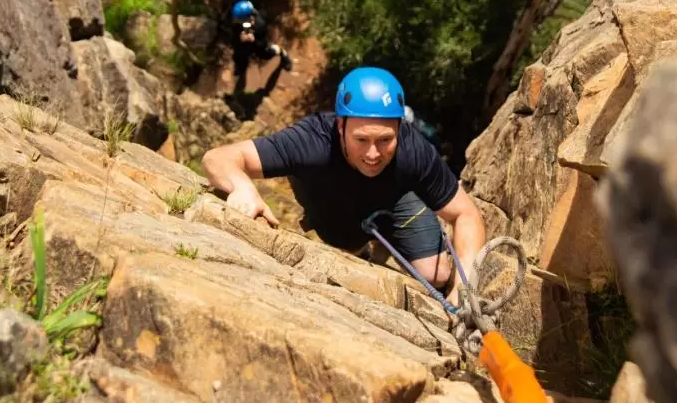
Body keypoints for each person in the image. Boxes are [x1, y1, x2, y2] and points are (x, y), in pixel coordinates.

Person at [201, 66, 486, 306]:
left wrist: (463, 290)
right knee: (346, 249)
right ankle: (367, 244)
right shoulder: (311, 141)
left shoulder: (414, 151)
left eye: (385, 140)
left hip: (396, 201)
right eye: (361, 140)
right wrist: (244, 188)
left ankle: (387, 236)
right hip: (332, 202)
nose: (373, 153)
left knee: (434, 274)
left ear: (400, 128)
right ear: (340, 126)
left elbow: (466, 215)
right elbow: (219, 158)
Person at [230, 0, 292, 94]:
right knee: (239, 56)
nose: (236, 20)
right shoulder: (237, 23)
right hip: (243, 45)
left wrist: (253, 40)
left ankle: (281, 52)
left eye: (238, 19)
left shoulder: (259, 25)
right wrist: (240, 38)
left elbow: (262, 44)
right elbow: (234, 37)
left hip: (256, 43)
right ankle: (241, 66)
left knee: (265, 55)